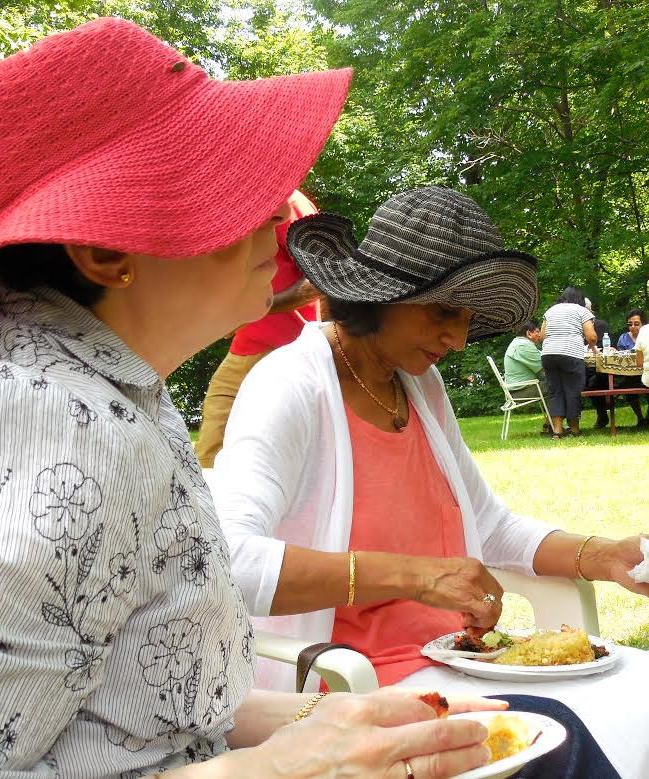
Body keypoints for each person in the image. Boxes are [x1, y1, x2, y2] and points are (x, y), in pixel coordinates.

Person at [0, 18, 507, 779]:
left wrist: (329, 717)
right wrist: (278, 768)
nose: (281, 218)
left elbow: (136, 709)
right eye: (232, 184)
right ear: (105, 253)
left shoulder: (109, 390)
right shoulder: (51, 427)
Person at [211, 187, 649, 776]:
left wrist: (604, 556)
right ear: (380, 298)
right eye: (444, 312)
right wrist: (415, 575)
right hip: (352, 684)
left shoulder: (418, 385)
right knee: (561, 739)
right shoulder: (289, 384)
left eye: (467, 320)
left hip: (457, 661)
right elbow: (226, 561)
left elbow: (490, 525)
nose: (458, 340)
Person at [196, 190, 319, 468]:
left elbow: (323, 277)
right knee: (210, 452)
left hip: (290, 348)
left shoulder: (289, 203)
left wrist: (258, 308)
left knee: (279, 454)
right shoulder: (241, 202)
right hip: (245, 349)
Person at [540, 286, 597, 438]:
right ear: (580, 299)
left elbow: (542, 335)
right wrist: (593, 348)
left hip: (548, 354)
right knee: (572, 391)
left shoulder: (550, 311)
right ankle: (574, 430)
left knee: (555, 392)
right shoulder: (581, 310)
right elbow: (591, 337)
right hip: (571, 354)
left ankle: (557, 431)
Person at [615, 308, 648, 426]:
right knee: (627, 385)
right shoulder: (623, 338)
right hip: (630, 374)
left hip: (645, 373)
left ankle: (647, 418)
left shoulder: (646, 336)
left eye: (636, 324)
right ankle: (640, 418)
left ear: (643, 324)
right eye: (630, 324)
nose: (633, 327)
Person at [582, 298, 610, 428]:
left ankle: (602, 414)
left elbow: (607, 346)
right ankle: (602, 414)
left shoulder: (601, 325)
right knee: (588, 380)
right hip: (582, 366)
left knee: (596, 379)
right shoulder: (574, 327)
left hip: (601, 366)